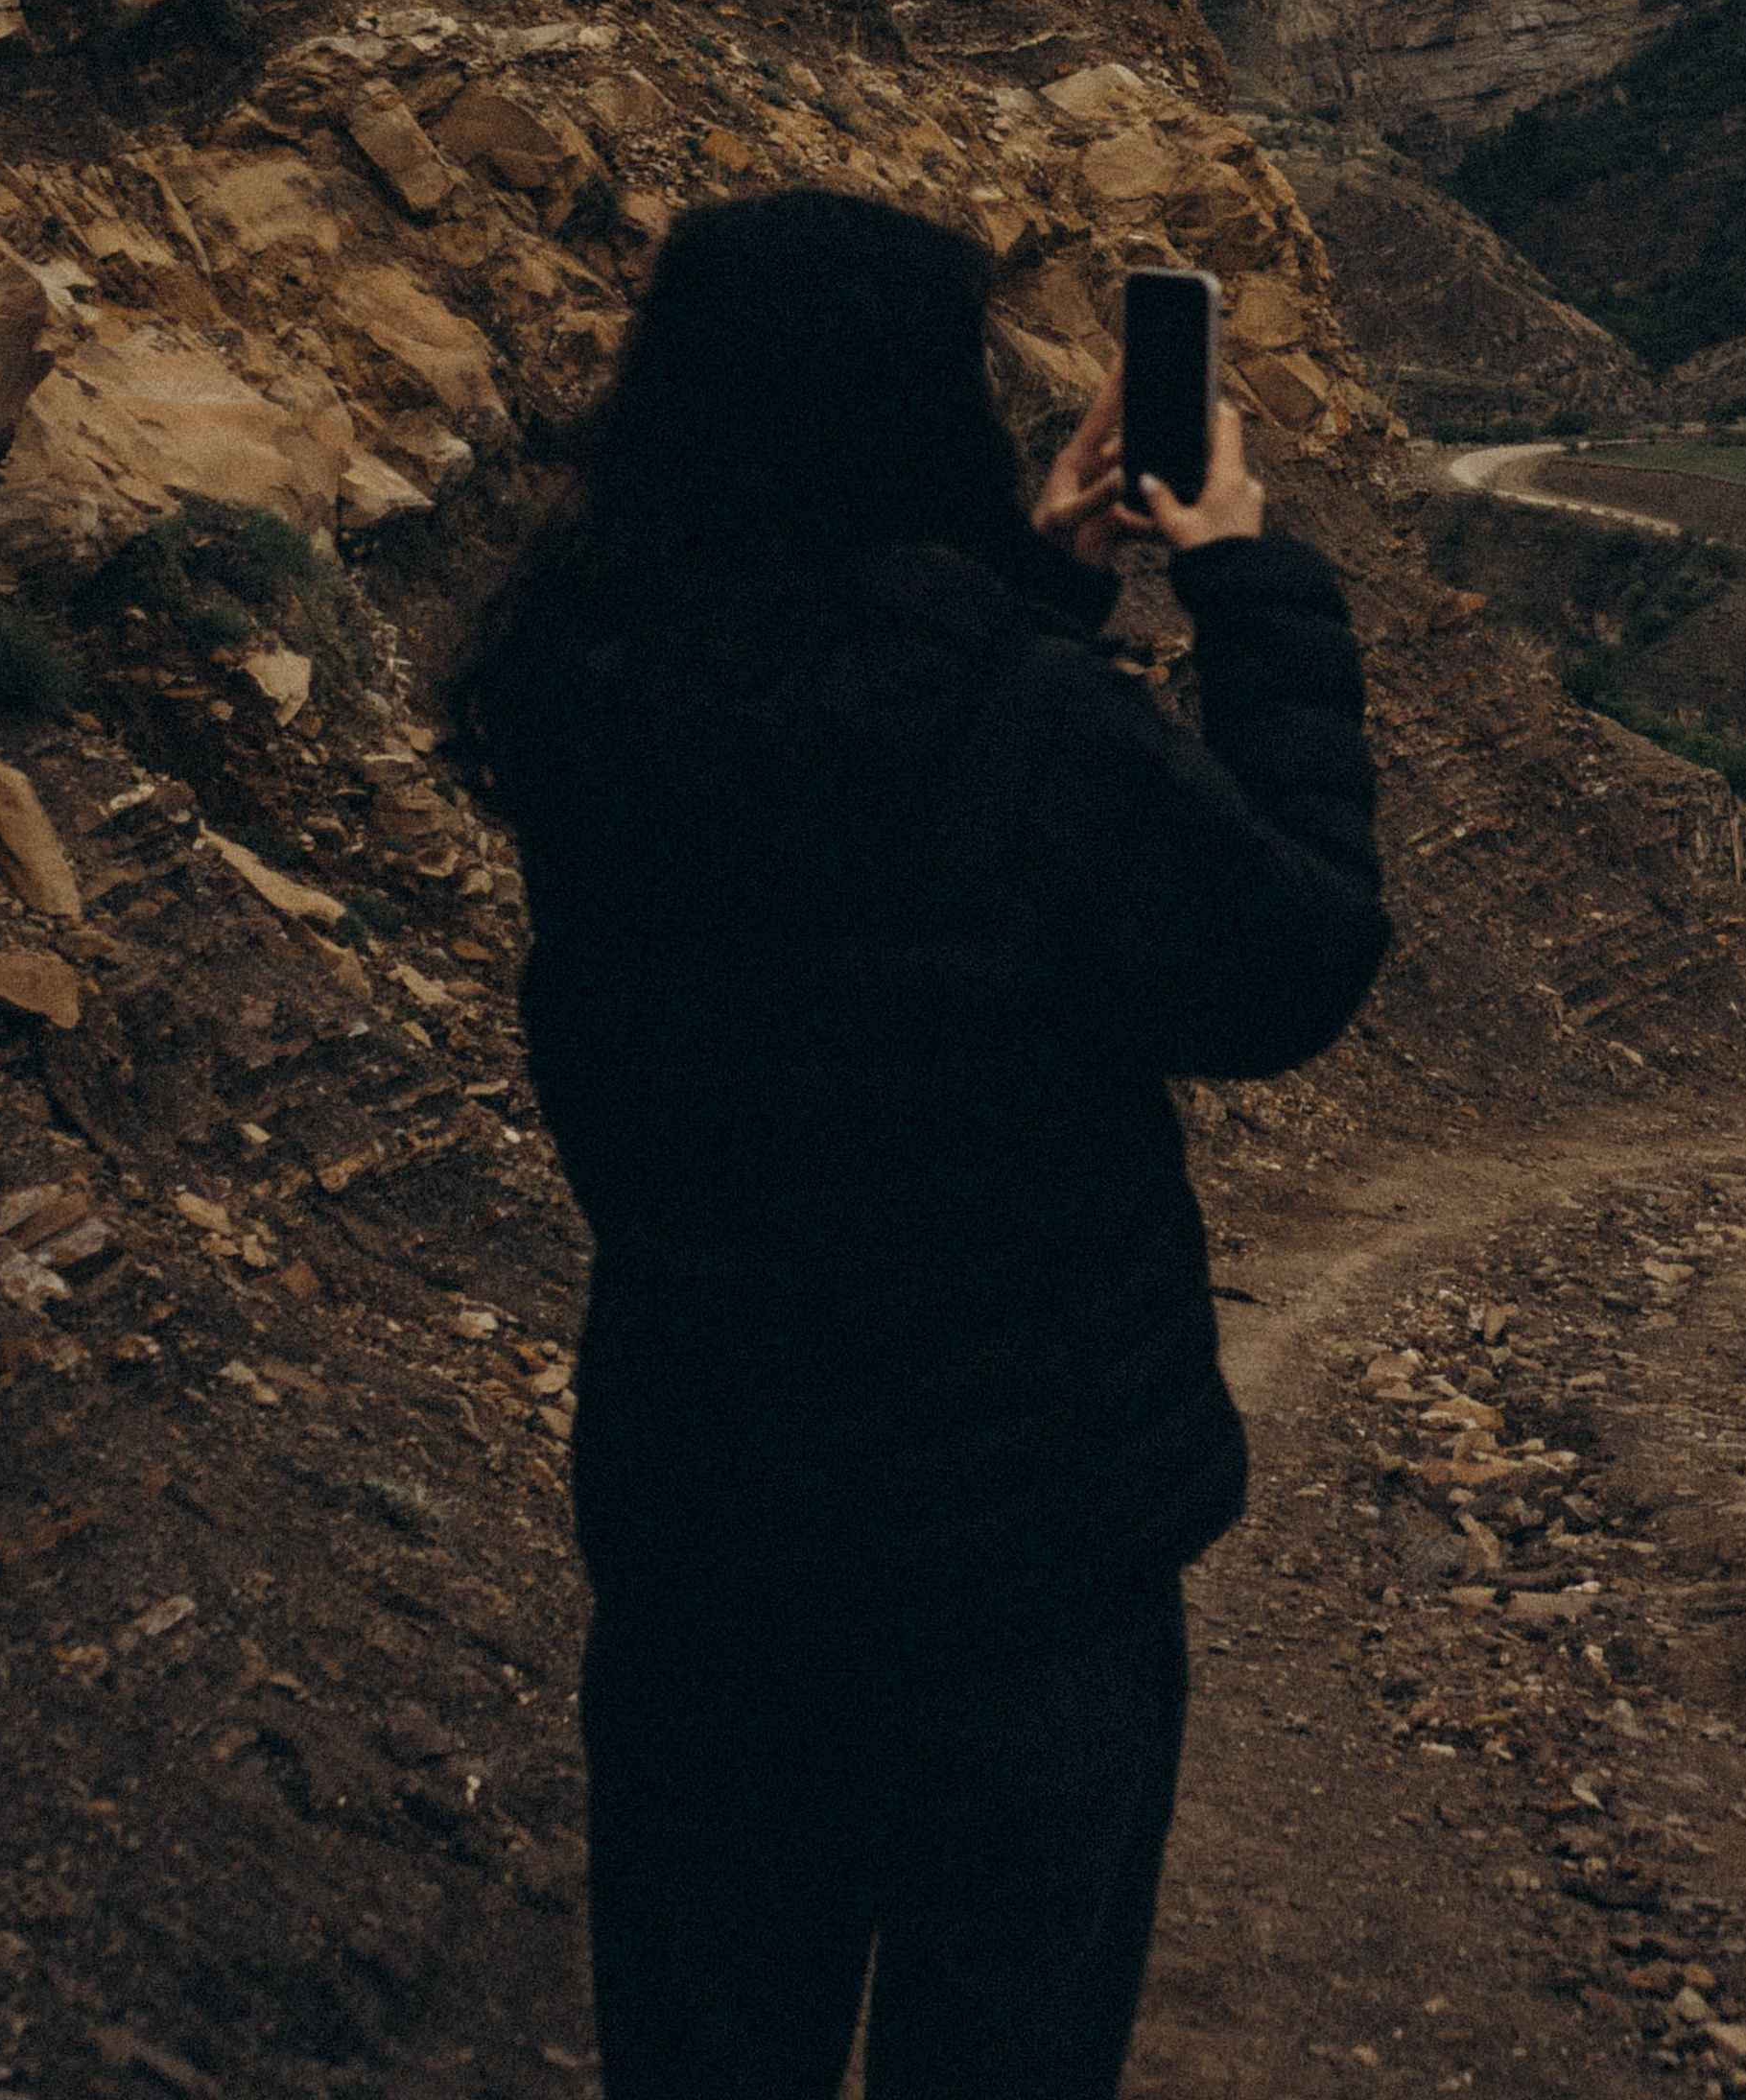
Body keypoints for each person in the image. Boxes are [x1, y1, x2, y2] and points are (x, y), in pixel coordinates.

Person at [448, 185, 1384, 2099]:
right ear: (907, 419)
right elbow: (1286, 963)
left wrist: (1029, 576)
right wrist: (1244, 582)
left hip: (706, 1530)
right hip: (1017, 1565)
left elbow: (827, 787)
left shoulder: (579, 697)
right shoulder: (1018, 729)